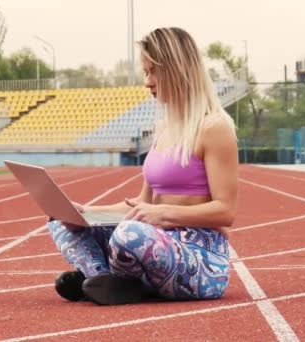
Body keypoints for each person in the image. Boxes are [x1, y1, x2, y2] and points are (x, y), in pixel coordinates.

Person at [47, 27, 239, 305]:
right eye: (145, 72)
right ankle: (101, 279)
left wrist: (165, 214)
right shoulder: (164, 129)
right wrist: (87, 212)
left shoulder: (214, 127)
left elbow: (226, 211)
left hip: (201, 259)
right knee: (61, 223)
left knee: (130, 234)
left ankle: (115, 281)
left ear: (177, 69)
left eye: (152, 72)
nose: (147, 82)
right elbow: (142, 206)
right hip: (157, 238)